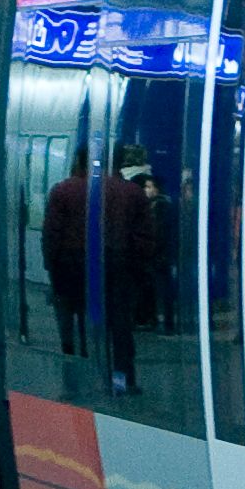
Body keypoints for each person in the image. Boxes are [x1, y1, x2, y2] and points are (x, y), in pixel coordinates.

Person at [101, 144, 156, 395]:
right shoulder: (133, 193)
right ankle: (123, 380)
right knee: (122, 327)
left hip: (89, 268)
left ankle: (96, 374)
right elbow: (146, 237)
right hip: (124, 270)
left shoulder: (89, 190)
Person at [40, 148, 91, 359]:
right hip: (93, 262)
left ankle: (68, 349)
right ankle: (88, 348)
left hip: (65, 261)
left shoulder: (62, 190)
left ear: (77, 161)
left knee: (65, 309)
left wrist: (49, 261)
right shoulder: (104, 190)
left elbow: (52, 230)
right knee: (87, 308)